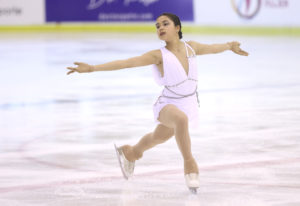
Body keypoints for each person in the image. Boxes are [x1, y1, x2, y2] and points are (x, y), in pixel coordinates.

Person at [66, 12, 248, 193]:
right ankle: (190, 164)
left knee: (157, 137)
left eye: (165, 24)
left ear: (177, 28)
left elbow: (212, 48)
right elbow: (127, 62)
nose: (160, 27)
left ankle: (131, 153)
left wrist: (229, 45)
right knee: (181, 120)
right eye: (157, 26)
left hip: (189, 103)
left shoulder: (191, 48)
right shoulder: (158, 55)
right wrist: (92, 68)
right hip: (168, 104)